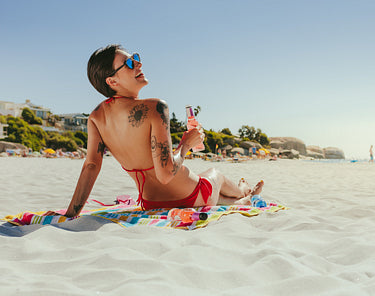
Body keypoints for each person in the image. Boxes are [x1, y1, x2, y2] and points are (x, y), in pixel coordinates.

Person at [46, 44, 263, 218]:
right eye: (129, 63)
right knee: (216, 175)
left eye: (136, 58)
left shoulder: (96, 118)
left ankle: (242, 197)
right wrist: (186, 143)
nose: (138, 63)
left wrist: (71, 213)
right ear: (112, 81)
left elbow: (91, 165)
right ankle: (244, 192)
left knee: (218, 191)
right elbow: (166, 174)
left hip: (151, 203)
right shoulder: (155, 107)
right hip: (192, 195)